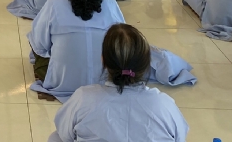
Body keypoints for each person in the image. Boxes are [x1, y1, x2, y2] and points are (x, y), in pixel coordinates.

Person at [28, 0, 195, 102]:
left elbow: (39, 45)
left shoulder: (54, 3)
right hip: (105, 81)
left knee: (36, 46)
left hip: (61, 84)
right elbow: (123, 42)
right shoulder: (110, 2)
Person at [48, 24, 189, 142]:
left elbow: (64, 133)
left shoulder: (83, 98)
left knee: (55, 137)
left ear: (103, 60)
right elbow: (180, 137)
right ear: (146, 64)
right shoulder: (164, 104)